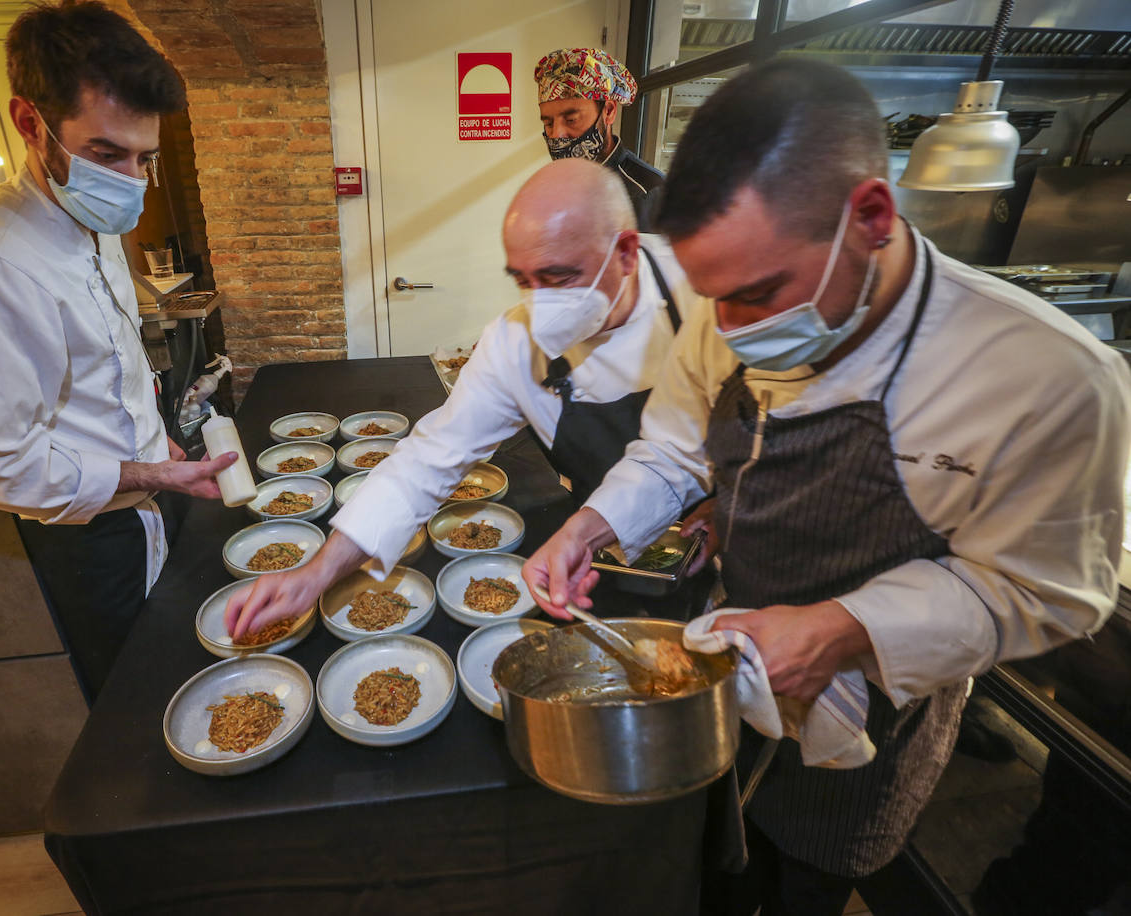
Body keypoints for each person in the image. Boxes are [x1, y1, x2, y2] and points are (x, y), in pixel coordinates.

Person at [521, 59, 1130, 915]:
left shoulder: (1049, 376)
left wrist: (844, 628)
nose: (730, 328)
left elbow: (1051, 594)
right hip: (731, 665)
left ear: (872, 217)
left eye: (760, 294)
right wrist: (590, 526)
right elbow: (672, 452)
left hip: (871, 721)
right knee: (719, 867)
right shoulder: (732, 296)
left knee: (808, 884)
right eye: (712, 299)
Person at [225, 158, 696, 640]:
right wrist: (316, 573)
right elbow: (428, 460)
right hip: (597, 541)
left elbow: (707, 441)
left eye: (557, 279)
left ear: (625, 252)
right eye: (522, 280)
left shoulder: (705, 289)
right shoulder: (515, 341)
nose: (540, 304)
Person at [0, 0, 236, 700]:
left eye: (144, 158)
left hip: (151, 493)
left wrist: (157, 449)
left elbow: (104, 369)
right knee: (138, 706)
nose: (129, 180)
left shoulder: (90, 218)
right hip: (95, 541)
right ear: (31, 123)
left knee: (196, 680)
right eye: (105, 154)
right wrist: (141, 472)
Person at [534, 48, 663, 230]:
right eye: (548, 123)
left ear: (608, 111)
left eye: (571, 120)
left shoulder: (649, 194)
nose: (556, 134)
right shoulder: (558, 184)